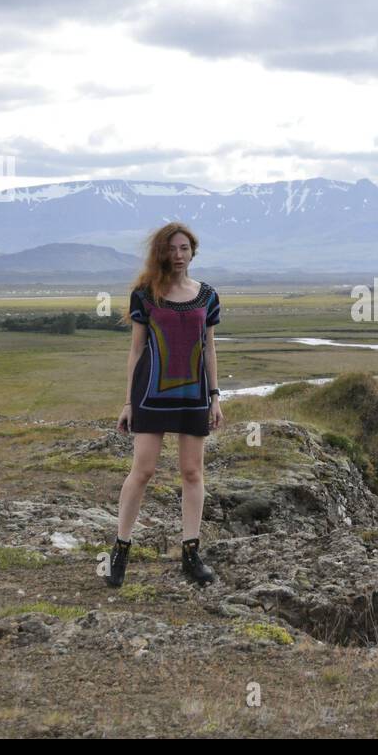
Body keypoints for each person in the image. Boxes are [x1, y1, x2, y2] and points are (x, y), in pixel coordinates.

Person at [108, 222, 223, 587]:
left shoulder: (207, 296)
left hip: (193, 395)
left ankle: (191, 555)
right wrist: (128, 402)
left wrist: (215, 396)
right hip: (150, 394)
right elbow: (136, 349)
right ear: (162, 252)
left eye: (184, 249)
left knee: (192, 473)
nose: (178, 255)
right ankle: (119, 554)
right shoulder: (145, 294)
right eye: (172, 249)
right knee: (142, 471)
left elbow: (210, 348)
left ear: (193, 252)